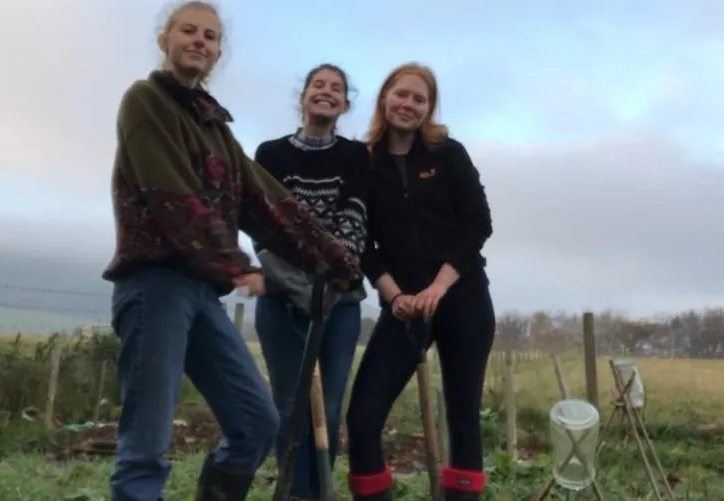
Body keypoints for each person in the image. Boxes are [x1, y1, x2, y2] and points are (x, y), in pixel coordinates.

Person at [101, 3, 359, 501]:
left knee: (256, 424)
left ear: (218, 52)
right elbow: (172, 195)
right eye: (188, 31)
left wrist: (332, 259)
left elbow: (265, 200)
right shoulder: (146, 101)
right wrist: (236, 263)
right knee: (146, 445)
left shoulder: (215, 126)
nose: (199, 41)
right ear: (164, 40)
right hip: (155, 286)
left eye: (210, 36)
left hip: (202, 292)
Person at [344, 63, 496, 501]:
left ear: (429, 108)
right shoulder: (364, 161)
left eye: (419, 98)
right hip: (404, 306)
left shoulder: (448, 153)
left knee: (463, 416)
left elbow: (478, 223)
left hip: (463, 298)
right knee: (363, 416)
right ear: (384, 98)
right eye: (401, 94)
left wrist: (438, 287)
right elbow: (361, 240)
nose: (408, 104)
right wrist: (394, 296)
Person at [252, 63, 371, 501]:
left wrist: (330, 280)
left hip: (339, 300)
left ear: (345, 104)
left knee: (329, 410)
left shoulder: (356, 156)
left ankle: (316, 491)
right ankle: (290, 491)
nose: (326, 92)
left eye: (336, 88)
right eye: (318, 85)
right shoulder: (270, 154)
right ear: (302, 98)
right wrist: (302, 285)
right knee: (288, 407)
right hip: (281, 298)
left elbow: (354, 220)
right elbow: (265, 225)